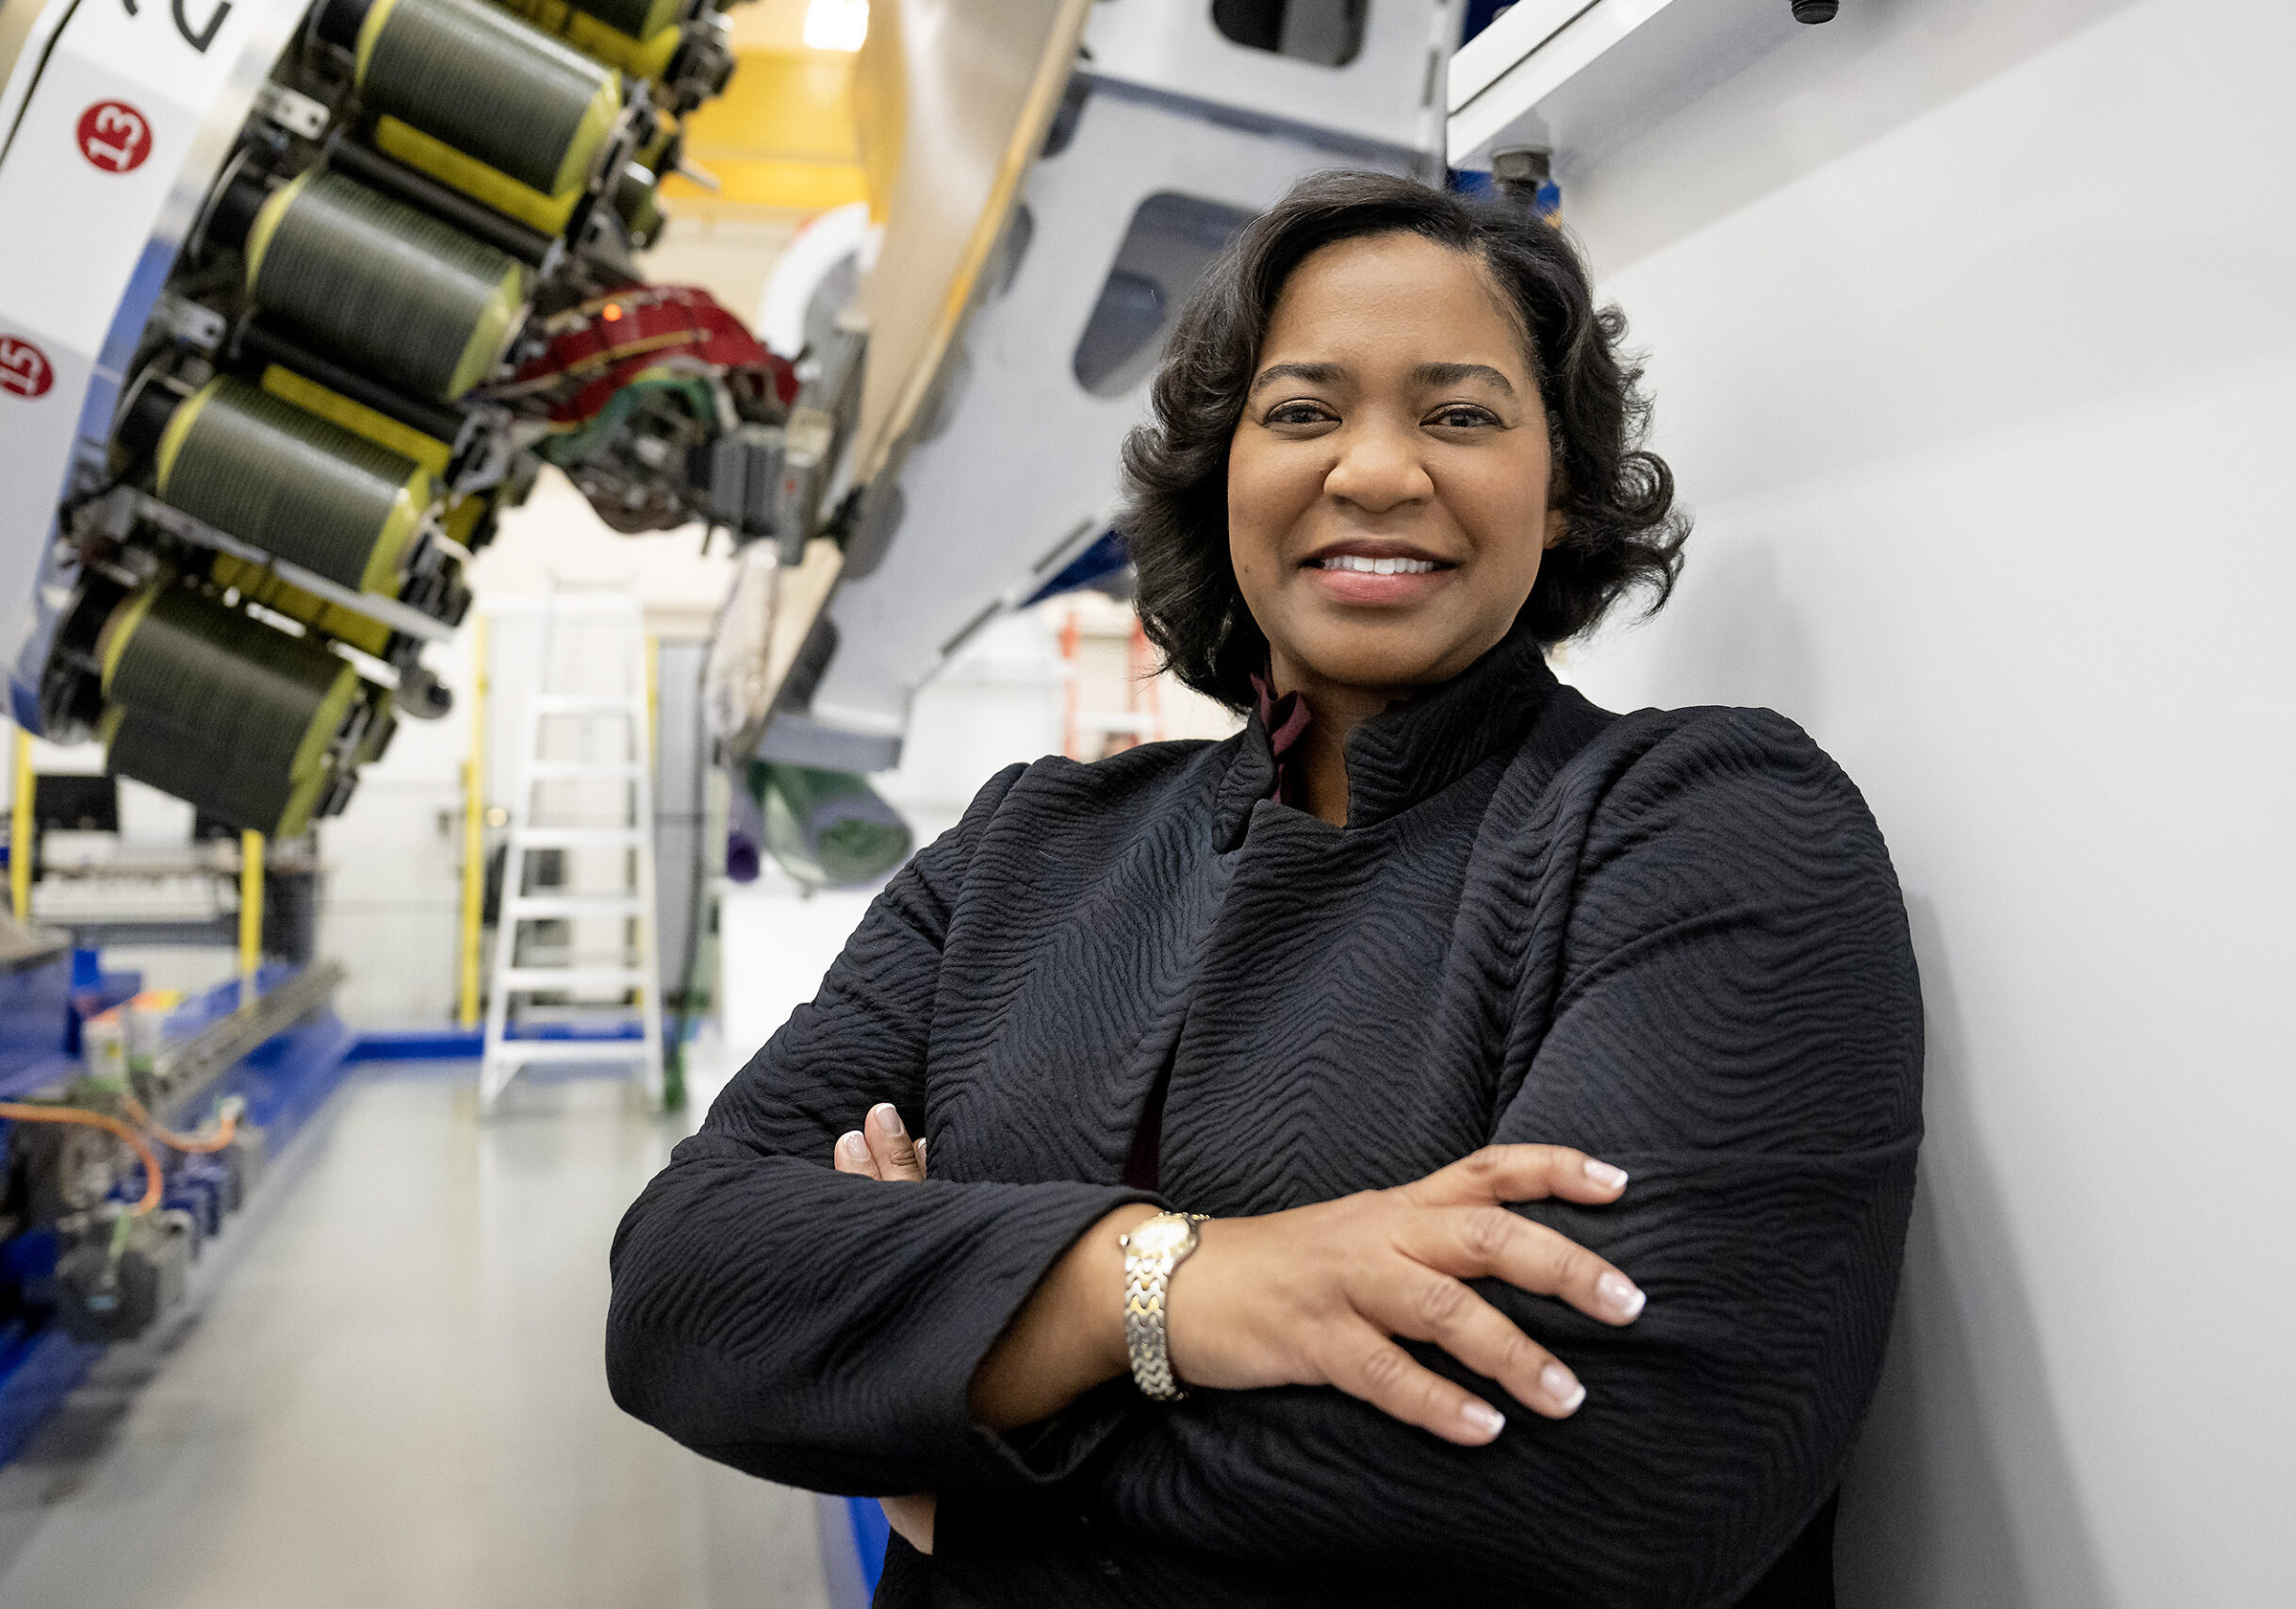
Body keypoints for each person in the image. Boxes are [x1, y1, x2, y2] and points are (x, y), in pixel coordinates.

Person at [607, 170, 1922, 1608]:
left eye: (1461, 415)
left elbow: (1615, 1483)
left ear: (1558, 492)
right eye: (1302, 412)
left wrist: (945, 1432)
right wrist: (1167, 1281)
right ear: (1220, 474)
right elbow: (683, 1286)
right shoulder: (1024, 848)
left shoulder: (1705, 827)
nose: (1377, 471)